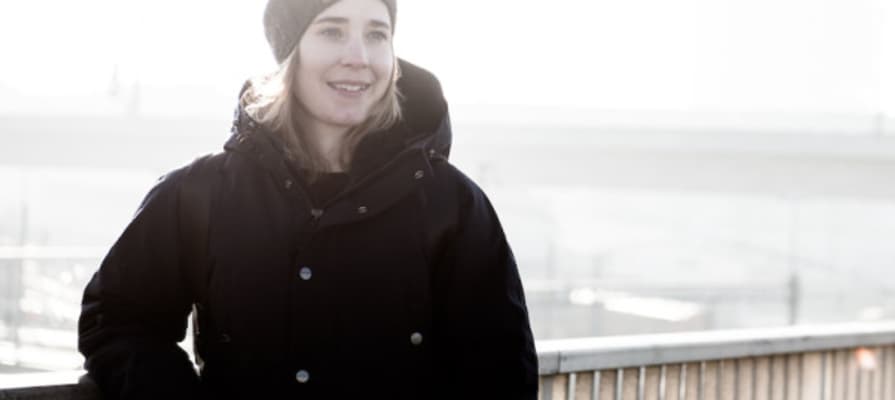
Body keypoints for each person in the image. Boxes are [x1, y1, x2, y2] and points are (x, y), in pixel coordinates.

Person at [77, 0, 539, 398]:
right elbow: (117, 319)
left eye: (377, 34)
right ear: (289, 52)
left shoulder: (452, 206)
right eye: (332, 31)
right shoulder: (200, 194)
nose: (358, 57)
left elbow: (500, 372)